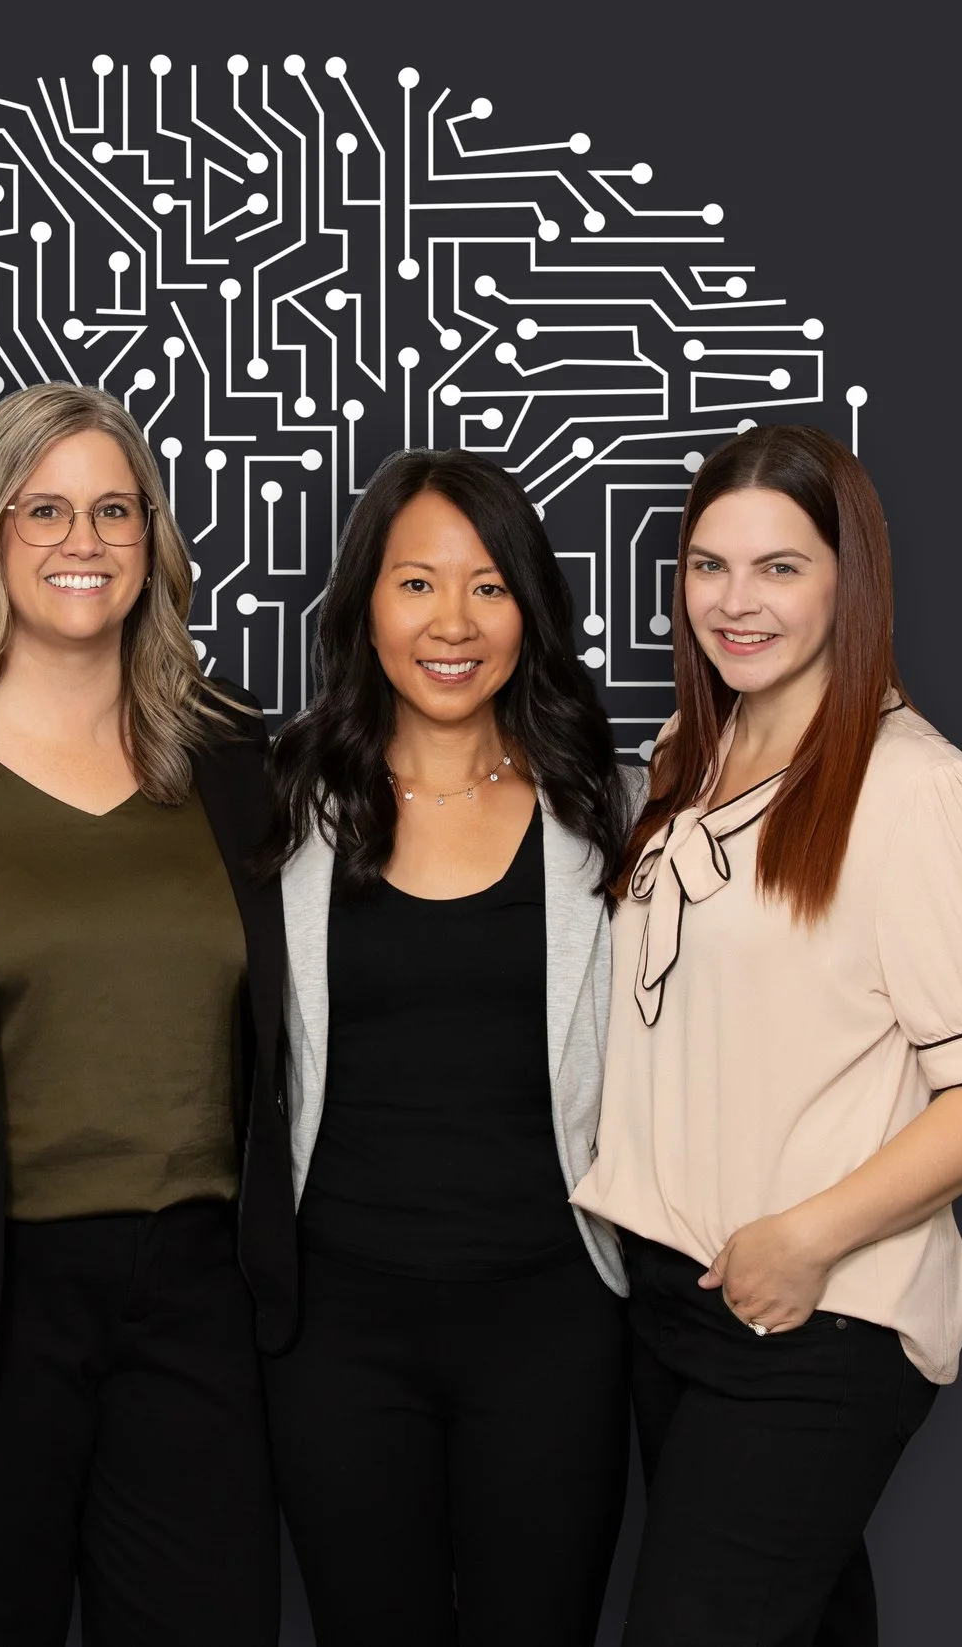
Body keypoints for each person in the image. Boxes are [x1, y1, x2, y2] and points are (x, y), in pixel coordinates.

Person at [571, 424, 962, 1644]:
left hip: (816, 1313)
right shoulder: (695, 756)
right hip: (677, 1298)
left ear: (851, 579)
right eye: (708, 567)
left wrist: (802, 1240)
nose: (737, 604)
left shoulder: (917, 793)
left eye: (780, 567)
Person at [0, 382, 294, 1646]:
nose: (81, 540)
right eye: (44, 510)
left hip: (196, 1298)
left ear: (153, 539)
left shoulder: (241, 759)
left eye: (111, 510)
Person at [257, 449, 643, 1646]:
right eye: (416, 583)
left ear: (528, 608)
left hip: (555, 1322)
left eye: (487, 586)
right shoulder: (277, 803)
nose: (453, 622)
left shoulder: (612, 805)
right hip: (335, 1332)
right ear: (365, 605)